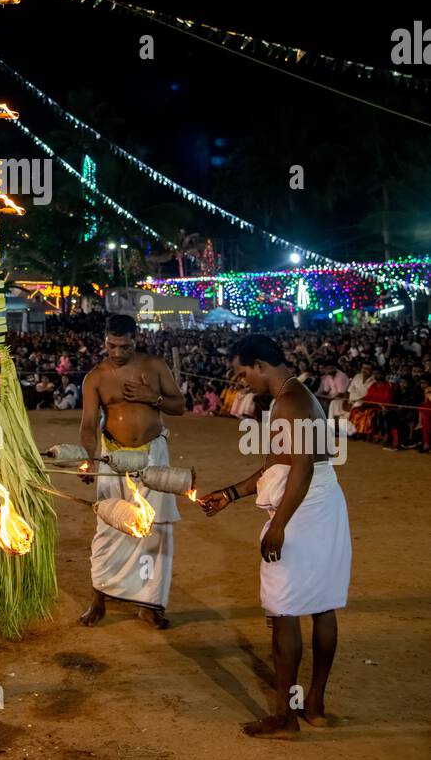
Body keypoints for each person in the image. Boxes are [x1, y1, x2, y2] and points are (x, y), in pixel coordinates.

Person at [200, 335, 351, 738]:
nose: (242, 380)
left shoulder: (292, 402)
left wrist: (280, 525)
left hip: (304, 510)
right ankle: (314, 706)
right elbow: (277, 467)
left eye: (243, 372)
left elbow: (298, 470)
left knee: (284, 610)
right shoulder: (292, 396)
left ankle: (286, 716)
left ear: (261, 365)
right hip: (319, 504)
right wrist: (229, 494)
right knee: (321, 606)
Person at [78, 313, 186, 630]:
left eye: (124, 346)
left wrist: (150, 398)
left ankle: (149, 605)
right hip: (113, 457)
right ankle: (98, 598)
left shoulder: (153, 366)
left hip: (153, 454)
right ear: (105, 341)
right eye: (112, 345)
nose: (117, 352)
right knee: (108, 528)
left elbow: (179, 405)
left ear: (135, 341)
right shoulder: (95, 378)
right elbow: (87, 424)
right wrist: (89, 458)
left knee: (157, 530)